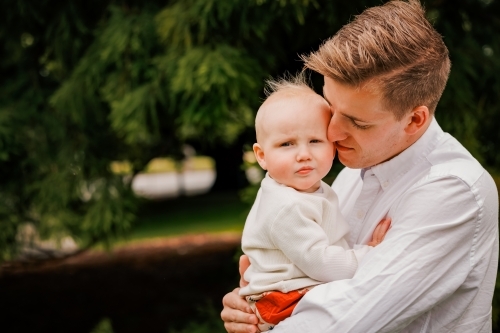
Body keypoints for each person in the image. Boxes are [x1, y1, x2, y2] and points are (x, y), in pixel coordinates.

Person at [221, 0, 499, 332]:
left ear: (414, 119)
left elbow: (340, 321)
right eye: (330, 107)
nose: (332, 132)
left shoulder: (454, 191)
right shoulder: (353, 171)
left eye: (357, 121)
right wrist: (254, 301)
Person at [240, 77, 390, 332]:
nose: (303, 154)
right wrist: (370, 254)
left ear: (332, 147)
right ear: (262, 156)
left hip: (293, 291)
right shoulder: (286, 206)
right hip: (283, 300)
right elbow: (320, 262)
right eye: (286, 144)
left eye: (315, 141)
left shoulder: (309, 191)